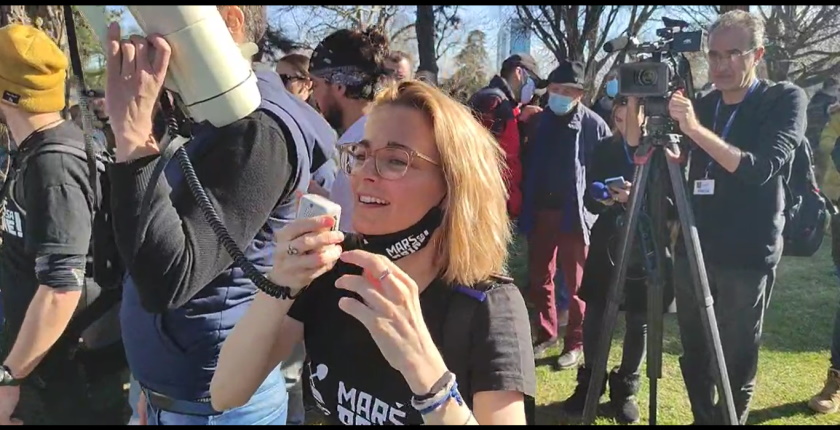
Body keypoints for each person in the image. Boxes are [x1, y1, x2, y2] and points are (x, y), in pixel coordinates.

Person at [210, 80, 537, 425]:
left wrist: (427, 375)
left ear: (453, 186)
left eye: (396, 161)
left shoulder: (487, 306)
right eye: (361, 155)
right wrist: (278, 285)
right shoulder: (334, 267)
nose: (364, 173)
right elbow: (226, 392)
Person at [103, 5, 326, 425]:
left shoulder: (257, 129)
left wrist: (132, 135)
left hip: (211, 406)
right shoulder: (210, 114)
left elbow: (173, 276)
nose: (152, 35)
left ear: (228, 20)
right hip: (174, 395)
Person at [663, 10, 806, 424]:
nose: (721, 65)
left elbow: (759, 168)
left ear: (757, 54)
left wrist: (694, 130)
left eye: (733, 54)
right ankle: (702, 419)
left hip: (747, 253)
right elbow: (691, 159)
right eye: (713, 55)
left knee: (735, 358)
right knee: (694, 353)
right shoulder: (704, 104)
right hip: (695, 247)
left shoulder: (784, 99)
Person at [0, 23, 125, 425]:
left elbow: (60, 288)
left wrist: (7, 379)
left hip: (66, 376)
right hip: (45, 365)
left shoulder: (54, 164)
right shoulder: (35, 150)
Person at [561, 96, 670, 424]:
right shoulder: (607, 148)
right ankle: (590, 384)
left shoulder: (662, 150)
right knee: (595, 312)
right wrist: (603, 196)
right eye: (619, 121)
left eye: (630, 120)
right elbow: (589, 198)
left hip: (646, 244)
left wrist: (637, 195)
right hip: (608, 239)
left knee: (640, 319)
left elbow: (671, 203)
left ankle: (625, 391)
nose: (624, 127)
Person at [519, 60, 611, 369]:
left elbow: (605, 169)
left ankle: (576, 342)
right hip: (541, 211)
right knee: (540, 277)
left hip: (575, 213)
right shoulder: (538, 122)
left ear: (579, 95)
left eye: (564, 91)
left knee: (576, 285)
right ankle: (546, 334)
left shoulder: (594, 125)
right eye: (553, 90)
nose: (556, 96)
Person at [308, 27, 391, 232]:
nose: (312, 96)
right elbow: (350, 210)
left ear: (339, 86)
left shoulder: (363, 146)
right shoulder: (371, 131)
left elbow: (354, 230)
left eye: (315, 85)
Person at [469, 53, 545, 219]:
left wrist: (518, 118)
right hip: (487, 206)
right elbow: (478, 151)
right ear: (519, 72)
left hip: (498, 205)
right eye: (534, 82)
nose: (534, 90)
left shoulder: (504, 106)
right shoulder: (492, 101)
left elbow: (501, 137)